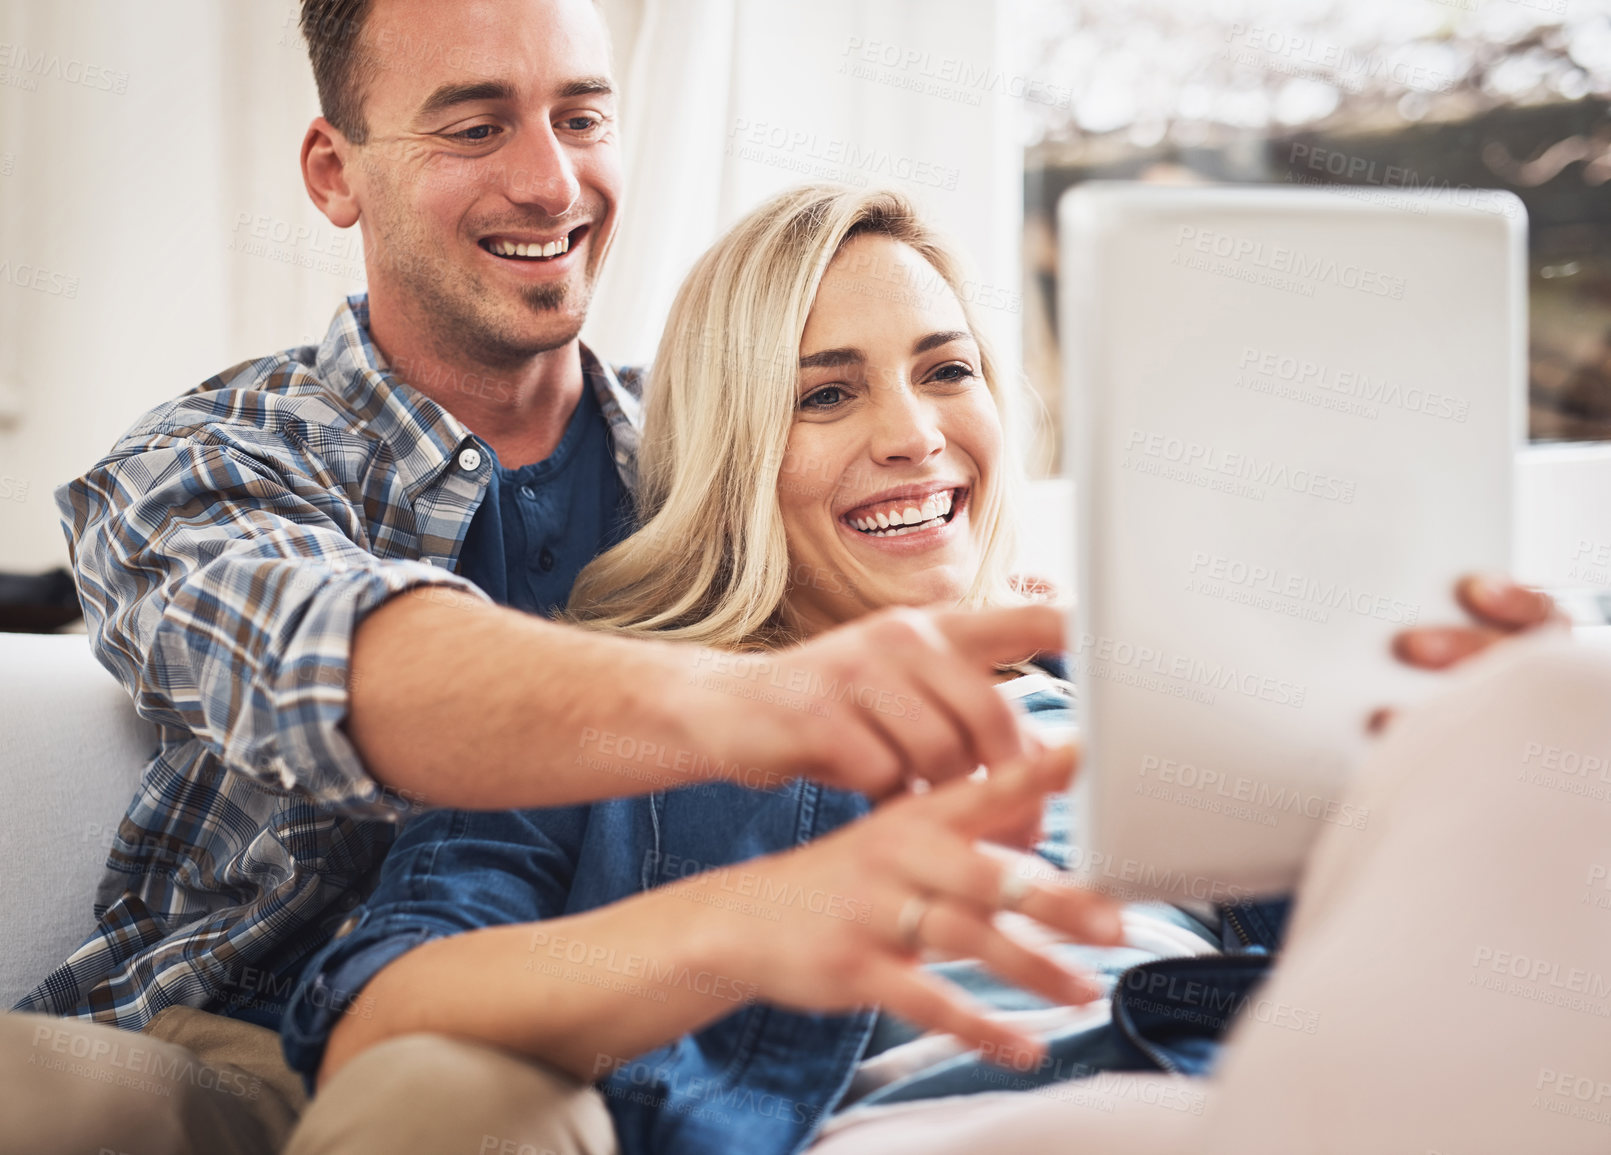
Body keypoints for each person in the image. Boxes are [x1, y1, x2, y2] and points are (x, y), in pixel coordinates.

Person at [0, 4, 1069, 1154]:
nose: (551, 183)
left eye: (583, 117)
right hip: (225, 1048)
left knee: (454, 1101)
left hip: (563, 1049)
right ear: (335, 171)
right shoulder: (203, 463)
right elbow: (338, 660)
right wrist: (767, 705)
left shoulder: (722, 446)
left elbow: (920, 546)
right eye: (474, 123)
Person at [276, 183, 1600, 1155]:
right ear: (735, 450)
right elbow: (375, 1010)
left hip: (1249, 1099)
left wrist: (1463, 764)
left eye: (944, 369)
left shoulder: (1143, 681)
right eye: (826, 392)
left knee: (1556, 692)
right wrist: (758, 921)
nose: (913, 435)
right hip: (940, 1128)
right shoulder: (622, 703)